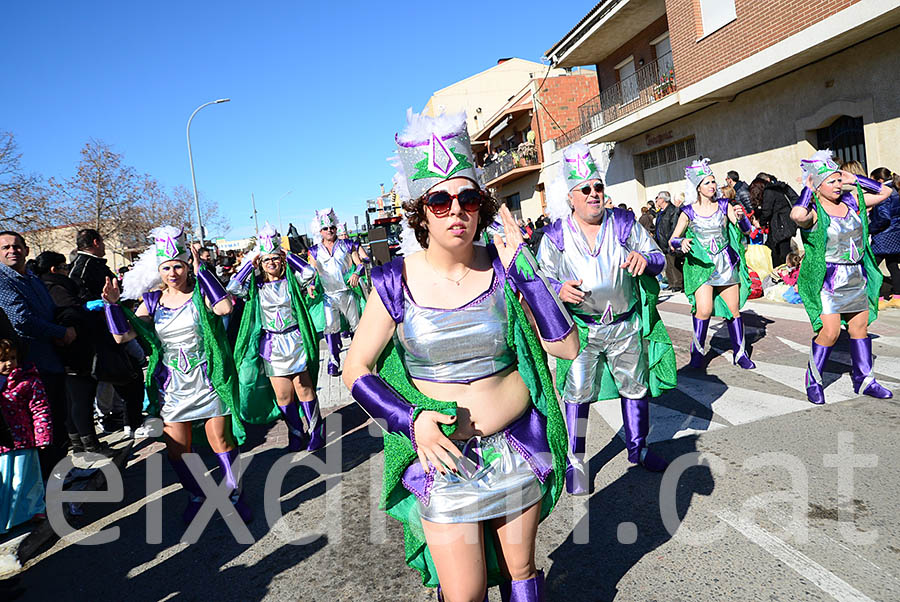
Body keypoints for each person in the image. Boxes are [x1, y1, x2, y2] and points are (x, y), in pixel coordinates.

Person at [343, 111, 579, 601]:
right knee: (465, 593)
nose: (457, 211)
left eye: (468, 198)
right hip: (445, 462)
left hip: (517, 447)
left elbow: (565, 347)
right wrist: (410, 420)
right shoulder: (393, 282)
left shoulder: (506, 268)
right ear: (420, 211)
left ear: (482, 206)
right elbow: (355, 367)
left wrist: (527, 271)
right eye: (440, 199)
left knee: (523, 575)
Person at [538, 142, 675, 495]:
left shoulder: (625, 223)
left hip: (626, 325)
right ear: (572, 197)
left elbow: (656, 256)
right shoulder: (555, 235)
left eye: (598, 187)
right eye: (586, 189)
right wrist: (557, 288)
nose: (594, 194)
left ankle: (638, 448)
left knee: (636, 387)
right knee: (577, 395)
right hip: (582, 330)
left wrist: (647, 262)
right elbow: (539, 279)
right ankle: (576, 462)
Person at [101, 226, 251, 523]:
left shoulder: (200, 295)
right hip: (172, 385)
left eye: (178, 266)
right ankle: (197, 495)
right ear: (160, 270)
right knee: (177, 448)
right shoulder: (153, 302)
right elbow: (122, 337)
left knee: (220, 440)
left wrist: (203, 271)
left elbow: (224, 307)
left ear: (186, 266)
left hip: (208, 380)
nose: (173, 272)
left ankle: (235, 494)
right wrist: (112, 306)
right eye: (167, 267)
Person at [790, 151, 894, 403]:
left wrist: (855, 178)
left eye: (839, 180)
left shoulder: (852, 202)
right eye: (832, 181)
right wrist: (808, 191)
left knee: (860, 328)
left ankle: (865, 379)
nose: (838, 185)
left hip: (856, 274)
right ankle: (814, 379)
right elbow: (797, 216)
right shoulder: (814, 212)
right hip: (829, 279)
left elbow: (885, 192)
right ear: (817, 184)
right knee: (832, 332)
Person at [227, 223, 324, 452]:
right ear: (260, 263)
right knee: (283, 394)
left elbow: (309, 273)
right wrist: (248, 267)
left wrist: (288, 255)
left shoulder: (292, 281)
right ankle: (296, 433)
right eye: (266, 259)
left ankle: (316, 431)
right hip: (271, 344)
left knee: (303, 388)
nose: (271, 262)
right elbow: (233, 288)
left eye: (275, 258)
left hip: (295, 340)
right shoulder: (256, 286)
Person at [670, 159, 757, 370]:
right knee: (704, 309)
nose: (712, 186)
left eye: (713, 182)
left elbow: (746, 231)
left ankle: (740, 353)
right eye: (707, 183)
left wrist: (742, 217)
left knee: (733, 310)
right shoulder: (688, 212)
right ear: (698, 187)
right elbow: (672, 240)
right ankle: (698, 353)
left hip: (725, 263)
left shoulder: (725, 205)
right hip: (702, 267)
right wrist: (681, 242)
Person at [0, 231, 73, 478]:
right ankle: (46, 487)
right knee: (42, 431)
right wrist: (61, 332)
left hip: (51, 361)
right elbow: (20, 320)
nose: (12, 251)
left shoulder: (31, 278)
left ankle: (59, 476)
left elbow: (49, 311)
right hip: (29, 367)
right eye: (6, 247)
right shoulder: (2, 280)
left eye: (17, 246)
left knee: (57, 424)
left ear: (26, 250)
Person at [33, 252, 117, 458]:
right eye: (64, 267)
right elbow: (70, 313)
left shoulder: (43, 286)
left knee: (72, 399)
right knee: (81, 399)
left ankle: (78, 441)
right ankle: (90, 444)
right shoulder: (57, 287)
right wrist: (85, 311)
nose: (68, 271)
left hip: (64, 354)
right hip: (73, 352)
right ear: (54, 269)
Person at [68, 229, 146, 437]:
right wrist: (101, 305)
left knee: (130, 375)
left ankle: (131, 420)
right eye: (102, 242)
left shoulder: (93, 266)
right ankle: (130, 422)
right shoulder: (82, 268)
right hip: (104, 333)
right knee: (126, 375)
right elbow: (79, 300)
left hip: (115, 326)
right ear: (96, 242)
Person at [305, 209, 365, 376]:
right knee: (331, 328)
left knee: (357, 326)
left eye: (332, 227)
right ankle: (333, 360)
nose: (329, 230)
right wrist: (310, 285)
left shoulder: (347, 244)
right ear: (320, 231)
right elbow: (312, 272)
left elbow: (360, 264)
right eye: (325, 229)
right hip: (328, 296)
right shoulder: (314, 250)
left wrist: (356, 273)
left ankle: (359, 359)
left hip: (347, 293)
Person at [0, 339, 52, 533]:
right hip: (2, 443)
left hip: (23, 439)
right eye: (3, 359)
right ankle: (9, 518)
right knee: (6, 482)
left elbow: (40, 408)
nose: (9, 363)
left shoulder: (27, 381)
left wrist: (43, 435)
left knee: (25, 478)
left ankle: (34, 510)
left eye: (12, 358)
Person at [867, 167, 900, 309]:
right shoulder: (896, 190)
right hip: (895, 234)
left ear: (880, 181)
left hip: (883, 236)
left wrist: (870, 229)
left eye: (872, 180)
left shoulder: (883, 194)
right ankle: (898, 296)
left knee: (871, 266)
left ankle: (877, 299)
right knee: (892, 265)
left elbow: (883, 217)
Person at [756, 174, 799, 267]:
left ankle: (787, 272)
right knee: (784, 249)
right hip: (788, 221)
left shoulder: (769, 190)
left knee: (783, 252)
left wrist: (761, 222)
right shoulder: (780, 186)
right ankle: (789, 270)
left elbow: (767, 211)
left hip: (781, 224)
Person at [654, 191, 684, 292]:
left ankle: (678, 283)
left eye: (658, 198)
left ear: (662, 199)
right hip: (661, 242)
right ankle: (671, 283)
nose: (657, 200)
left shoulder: (671, 210)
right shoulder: (660, 212)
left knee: (674, 263)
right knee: (668, 264)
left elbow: (673, 225)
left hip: (668, 240)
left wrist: (671, 240)